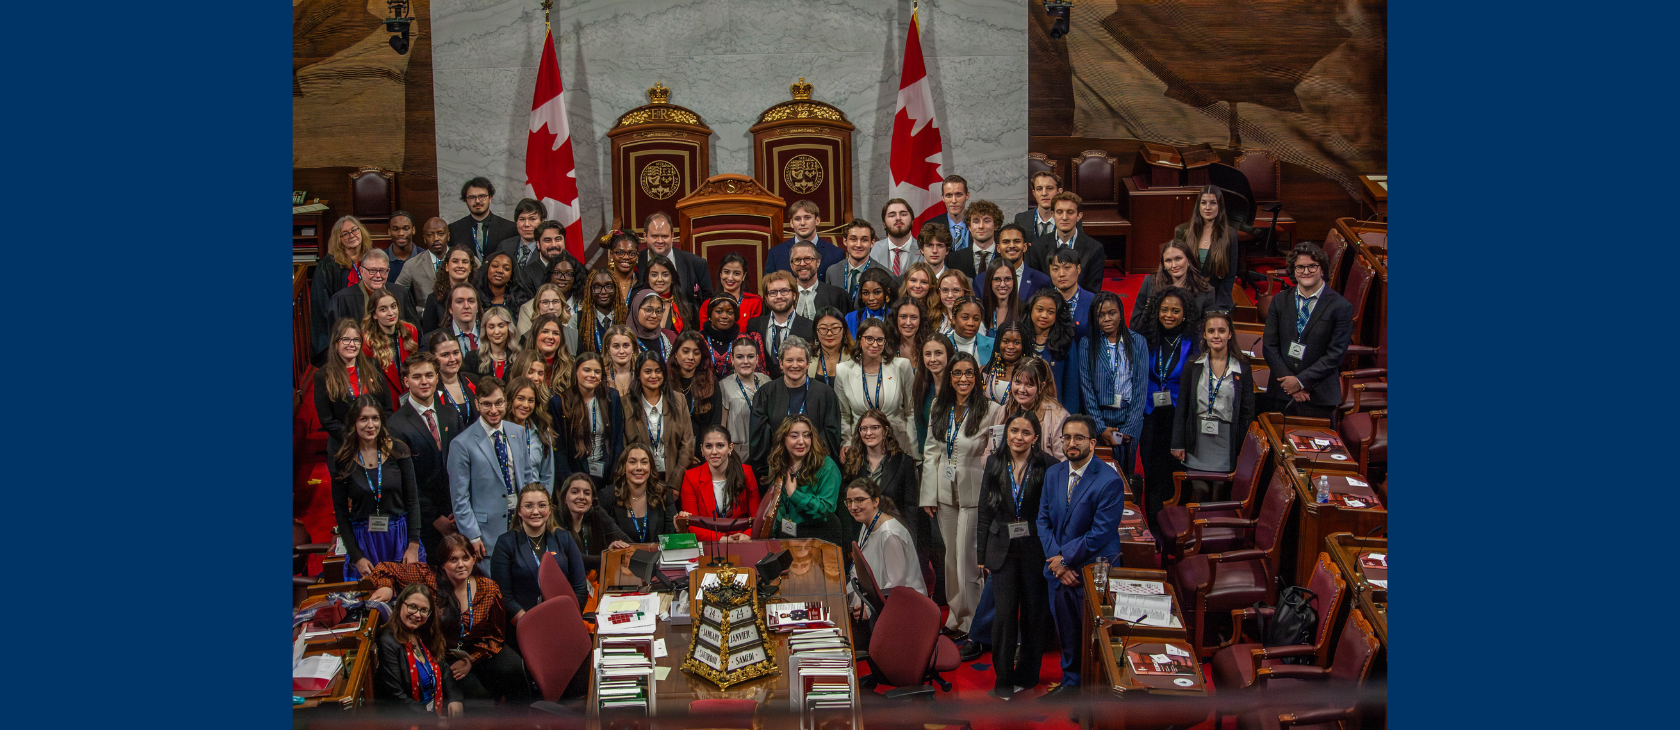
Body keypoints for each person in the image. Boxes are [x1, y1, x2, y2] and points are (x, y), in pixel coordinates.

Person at [367, 533, 528, 703]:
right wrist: (386, 587)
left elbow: (495, 637)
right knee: (479, 698)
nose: (461, 565)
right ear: (442, 564)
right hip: (442, 654)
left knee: (515, 668)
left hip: (477, 650)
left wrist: (471, 661)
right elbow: (384, 568)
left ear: (473, 559)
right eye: (453, 560)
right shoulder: (427, 577)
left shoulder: (488, 589)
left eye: (465, 558)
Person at [1036, 415, 1125, 698]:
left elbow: (1099, 534)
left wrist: (1065, 560)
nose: (1071, 443)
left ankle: (1093, 694)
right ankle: (1071, 684)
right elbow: (1043, 521)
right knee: (1066, 632)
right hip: (1060, 571)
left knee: (1092, 637)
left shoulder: (1109, 481)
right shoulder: (1054, 474)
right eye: (1066, 437)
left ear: (1093, 443)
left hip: (1091, 571)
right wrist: (1057, 562)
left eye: (1078, 438)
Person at [919, 352, 1002, 638]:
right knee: (950, 559)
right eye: (957, 373)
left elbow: (996, 455)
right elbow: (931, 450)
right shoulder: (938, 407)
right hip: (943, 493)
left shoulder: (992, 410)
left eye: (969, 373)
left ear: (977, 378)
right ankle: (955, 617)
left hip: (974, 493)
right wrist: (928, 494)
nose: (963, 379)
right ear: (950, 377)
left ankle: (973, 623)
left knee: (968, 558)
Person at [976, 411, 1052, 699]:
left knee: (1034, 615)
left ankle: (1028, 675)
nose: (1018, 437)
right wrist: (980, 552)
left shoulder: (1048, 465)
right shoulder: (995, 463)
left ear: (1035, 437)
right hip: (1002, 550)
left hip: (1035, 550)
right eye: (1014, 430)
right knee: (1005, 616)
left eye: (1025, 432)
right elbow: (985, 511)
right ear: (1005, 433)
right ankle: (1004, 679)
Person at [333, 396, 423, 582]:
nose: (370, 424)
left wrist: (413, 544)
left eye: (375, 418)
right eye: (363, 419)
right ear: (353, 423)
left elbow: (413, 501)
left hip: (400, 537)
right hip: (364, 542)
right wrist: (357, 557)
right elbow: (341, 515)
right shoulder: (343, 461)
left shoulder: (399, 451)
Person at [448, 377, 538, 561]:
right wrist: (472, 535)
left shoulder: (517, 432)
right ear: (477, 404)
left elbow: (527, 477)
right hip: (485, 533)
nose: (494, 410)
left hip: (521, 526)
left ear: (506, 400)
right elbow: (460, 498)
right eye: (486, 404)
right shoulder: (461, 444)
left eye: (498, 403)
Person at [1171, 311, 1257, 503]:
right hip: (1198, 436)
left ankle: (1212, 528)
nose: (1216, 335)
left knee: (1220, 492)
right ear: (1204, 335)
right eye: (1211, 331)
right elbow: (1182, 406)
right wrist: (1178, 443)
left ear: (1230, 334)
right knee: (1199, 489)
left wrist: (1243, 449)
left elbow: (1247, 411)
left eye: (1221, 330)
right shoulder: (1193, 364)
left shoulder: (1242, 367)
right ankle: (1198, 529)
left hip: (1226, 438)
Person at [1261, 243, 1353, 418]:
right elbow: (1269, 345)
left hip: (1318, 395)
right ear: (1293, 271)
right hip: (1281, 390)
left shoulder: (1341, 307)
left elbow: (1335, 355)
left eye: (1312, 266)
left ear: (1322, 270)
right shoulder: (1279, 301)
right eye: (1300, 267)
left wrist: (1301, 382)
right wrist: (1289, 383)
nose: (1306, 271)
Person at [841, 409, 932, 584]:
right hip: (862, 535)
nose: (869, 433)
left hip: (892, 536)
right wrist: (850, 542)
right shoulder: (852, 462)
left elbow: (910, 506)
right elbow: (845, 504)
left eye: (874, 427)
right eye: (863, 428)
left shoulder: (903, 461)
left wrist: (910, 541)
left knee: (893, 583)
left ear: (885, 430)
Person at [389, 352, 463, 558]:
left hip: (458, 515)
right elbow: (405, 482)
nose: (424, 381)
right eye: (417, 376)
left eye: (429, 375)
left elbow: (463, 466)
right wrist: (435, 518)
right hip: (424, 523)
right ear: (406, 381)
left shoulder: (451, 415)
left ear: (437, 378)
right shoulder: (396, 424)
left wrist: (460, 511)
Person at [1138, 287, 1197, 529]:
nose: (1169, 315)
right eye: (1164, 310)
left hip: (1177, 417)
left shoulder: (1193, 342)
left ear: (1185, 314)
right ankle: (1153, 530)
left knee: (1174, 477)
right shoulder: (1146, 338)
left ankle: (1175, 529)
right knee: (1152, 475)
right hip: (1150, 414)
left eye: (1175, 310)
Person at [1074, 291, 1149, 477]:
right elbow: (1086, 388)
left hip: (1128, 419)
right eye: (1101, 315)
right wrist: (1100, 427)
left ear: (1121, 314)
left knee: (1125, 475)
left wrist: (1130, 428)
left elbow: (1140, 388)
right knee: (1098, 475)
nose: (1107, 319)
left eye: (1112, 313)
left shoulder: (1138, 342)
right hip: (1100, 419)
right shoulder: (1087, 343)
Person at [749, 336, 844, 479]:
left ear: (808, 363)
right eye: (789, 360)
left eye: (800, 360)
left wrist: (810, 462)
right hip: (777, 470)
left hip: (815, 472)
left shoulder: (825, 393)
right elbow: (759, 437)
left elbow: (831, 435)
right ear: (781, 363)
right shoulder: (766, 393)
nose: (795, 365)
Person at [492, 482, 590, 616]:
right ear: (519, 511)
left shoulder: (564, 539)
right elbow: (504, 596)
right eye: (528, 506)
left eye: (542, 505)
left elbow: (579, 588)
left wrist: (567, 618)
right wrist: (533, 625)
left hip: (562, 620)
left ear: (550, 509)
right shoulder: (505, 543)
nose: (536, 511)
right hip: (523, 625)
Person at [315, 319, 393, 477]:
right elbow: (327, 420)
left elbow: (387, 406)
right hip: (343, 449)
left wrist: (374, 433)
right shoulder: (323, 375)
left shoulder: (373, 366)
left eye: (356, 340)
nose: (352, 344)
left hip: (375, 445)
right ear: (336, 342)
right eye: (346, 339)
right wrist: (357, 436)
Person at [373, 583, 464, 715]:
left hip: (433, 711)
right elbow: (396, 696)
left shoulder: (423, 632)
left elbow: (443, 667)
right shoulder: (387, 640)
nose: (417, 615)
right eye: (412, 607)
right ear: (399, 605)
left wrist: (455, 697)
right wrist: (433, 720)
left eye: (423, 610)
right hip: (409, 718)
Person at [844, 477, 926, 619]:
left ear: (875, 501)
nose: (853, 507)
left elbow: (895, 587)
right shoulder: (867, 523)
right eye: (849, 501)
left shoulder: (890, 535)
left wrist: (869, 611)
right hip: (879, 602)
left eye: (859, 500)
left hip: (905, 611)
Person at [835, 318, 916, 459]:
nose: (875, 344)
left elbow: (911, 412)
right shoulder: (843, 370)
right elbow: (844, 415)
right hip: (860, 445)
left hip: (898, 444)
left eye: (880, 340)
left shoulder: (901, 366)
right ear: (860, 340)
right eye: (869, 339)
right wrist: (846, 441)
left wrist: (912, 448)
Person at [622, 350, 696, 495]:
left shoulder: (679, 400)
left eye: (658, 371)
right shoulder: (626, 404)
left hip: (672, 479)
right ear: (638, 374)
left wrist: (675, 483)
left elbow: (687, 444)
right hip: (638, 480)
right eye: (648, 371)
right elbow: (623, 446)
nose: (654, 376)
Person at [551, 352, 625, 490]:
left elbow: (618, 439)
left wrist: (615, 477)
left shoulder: (611, 397)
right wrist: (570, 483)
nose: (592, 375)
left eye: (597, 371)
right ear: (576, 371)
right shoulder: (560, 403)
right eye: (587, 370)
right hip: (574, 476)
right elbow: (559, 449)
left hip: (607, 476)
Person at [765, 415, 845, 544]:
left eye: (806, 435)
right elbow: (778, 509)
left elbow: (826, 509)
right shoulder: (780, 464)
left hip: (820, 536)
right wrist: (771, 539)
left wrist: (794, 494)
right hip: (789, 534)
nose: (801, 441)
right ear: (783, 439)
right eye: (794, 436)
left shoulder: (827, 466)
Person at [677, 425, 762, 541]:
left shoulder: (746, 472)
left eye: (720, 446)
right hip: (709, 543)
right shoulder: (690, 477)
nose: (714, 452)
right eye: (708, 446)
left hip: (741, 541)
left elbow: (757, 517)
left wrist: (747, 535)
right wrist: (721, 539)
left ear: (730, 448)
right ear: (702, 449)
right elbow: (691, 524)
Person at [311, 215, 373, 360]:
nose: (351, 236)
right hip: (343, 326)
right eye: (345, 234)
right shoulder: (328, 265)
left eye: (354, 230)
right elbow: (322, 304)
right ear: (338, 240)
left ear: (361, 231)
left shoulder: (371, 258)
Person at [1176, 186, 1242, 312]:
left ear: (1220, 206)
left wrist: (1218, 306)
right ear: (1198, 206)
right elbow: (1178, 272)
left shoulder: (1230, 235)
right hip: (1189, 297)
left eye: (1213, 203)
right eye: (1203, 203)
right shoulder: (1183, 232)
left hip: (1217, 299)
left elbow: (1230, 277)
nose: (1207, 207)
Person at [1025, 192, 1105, 295]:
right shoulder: (1037, 246)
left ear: (1079, 216)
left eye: (1070, 212)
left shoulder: (1095, 249)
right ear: (1053, 214)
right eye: (1059, 212)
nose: (1064, 217)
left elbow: (1093, 290)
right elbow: (1034, 286)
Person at [1130, 238, 1215, 332]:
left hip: (1189, 343)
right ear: (1163, 264)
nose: (1174, 265)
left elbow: (1207, 328)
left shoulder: (1205, 290)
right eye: (1168, 261)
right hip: (1154, 340)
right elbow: (1135, 321)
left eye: (1178, 259)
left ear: (1189, 260)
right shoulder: (1150, 282)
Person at [744, 271, 815, 380]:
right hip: (764, 389)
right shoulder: (754, 325)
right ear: (766, 298)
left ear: (794, 295)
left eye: (784, 291)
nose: (778, 296)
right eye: (773, 292)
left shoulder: (810, 327)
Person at [603, 443, 679, 544]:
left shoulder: (663, 493)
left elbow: (672, 533)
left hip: (656, 557)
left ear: (650, 467)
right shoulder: (607, 497)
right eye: (632, 462)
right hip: (623, 557)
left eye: (644, 462)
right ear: (624, 466)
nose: (639, 467)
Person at [555, 472, 630, 572]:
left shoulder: (597, 513)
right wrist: (609, 556)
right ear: (565, 498)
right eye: (575, 492)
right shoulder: (555, 521)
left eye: (587, 493)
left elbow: (622, 537)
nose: (581, 497)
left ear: (591, 500)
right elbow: (575, 559)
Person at [330, 248, 419, 330]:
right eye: (372, 271)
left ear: (388, 271)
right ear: (361, 271)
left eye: (382, 271)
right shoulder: (343, 299)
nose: (378, 275)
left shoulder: (401, 293)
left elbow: (413, 329)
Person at [1020, 290, 1078, 410]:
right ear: (1031, 310)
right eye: (1040, 310)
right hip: (1022, 411)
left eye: (1050, 312)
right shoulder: (1020, 338)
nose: (1044, 316)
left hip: (1053, 412)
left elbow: (1071, 386)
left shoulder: (1066, 342)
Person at [635, 212, 711, 301]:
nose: (660, 241)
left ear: (672, 236)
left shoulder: (696, 264)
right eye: (655, 236)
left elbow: (708, 303)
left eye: (664, 236)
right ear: (645, 236)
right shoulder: (635, 262)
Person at [719, 337, 771, 463]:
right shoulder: (724, 386)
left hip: (765, 450)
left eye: (750, 356)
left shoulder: (766, 382)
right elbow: (722, 425)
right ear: (732, 360)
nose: (745, 361)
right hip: (737, 453)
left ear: (757, 358)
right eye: (740, 357)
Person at [362, 289, 421, 399]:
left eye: (393, 306)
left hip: (411, 395)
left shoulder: (410, 330)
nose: (391, 313)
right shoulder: (367, 341)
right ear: (374, 314)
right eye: (383, 309)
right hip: (386, 399)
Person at [1008, 358, 1069, 460]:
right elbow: (990, 452)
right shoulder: (1005, 410)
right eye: (1017, 382)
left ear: (1041, 386)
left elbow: (1063, 463)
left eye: (1029, 385)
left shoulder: (1058, 417)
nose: (1022, 390)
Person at [505, 376, 557, 490]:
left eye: (531, 400)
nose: (525, 405)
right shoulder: (499, 432)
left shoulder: (541, 431)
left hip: (534, 502)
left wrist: (543, 502)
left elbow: (547, 475)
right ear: (510, 399)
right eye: (520, 398)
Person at [765, 199, 844, 274]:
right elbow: (769, 285)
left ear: (817, 220)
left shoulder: (836, 254)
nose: (802, 223)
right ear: (791, 223)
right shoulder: (775, 254)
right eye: (797, 219)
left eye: (807, 217)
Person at [448, 177, 518, 262]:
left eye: (482, 196)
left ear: (490, 198)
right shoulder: (453, 230)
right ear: (466, 201)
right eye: (471, 197)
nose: (477, 201)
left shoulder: (510, 228)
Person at [975, 224, 1050, 303]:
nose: (1011, 245)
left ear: (1025, 247)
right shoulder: (981, 280)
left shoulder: (1041, 280)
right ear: (998, 248)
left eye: (1017, 241)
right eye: (1006, 242)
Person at [513, 220, 582, 304]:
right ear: (538, 244)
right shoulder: (526, 275)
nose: (554, 245)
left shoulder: (578, 268)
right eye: (547, 240)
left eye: (558, 239)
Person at [669, 331, 722, 440]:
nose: (691, 357)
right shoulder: (666, 381)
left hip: (702, 448)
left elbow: (715, 422)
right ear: (675, 353)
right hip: (671, 446)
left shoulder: (711, 381)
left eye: (696, 353)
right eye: (685, 351)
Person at [699, 294, 763, 379]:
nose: (724, 316)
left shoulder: (744, 339)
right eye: (719, 312)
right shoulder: (698, 340)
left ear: (735, 317)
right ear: (710, 314)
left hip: (738, 389)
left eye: (729, 313)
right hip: (704, 388)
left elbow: (758, 373)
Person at [393, 217, 452, 309]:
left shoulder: (464, 260)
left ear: (448, 236)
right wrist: (418, 312)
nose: (436, 238)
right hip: (423, 320)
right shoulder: (411, 265)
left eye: (440, 234)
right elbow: (396, 295)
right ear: (424, 239)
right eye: (430, 235)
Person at [913, 334, 954, 456]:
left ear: (949, 354)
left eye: (938, 353)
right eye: (927, 354)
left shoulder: (958, 388)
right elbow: (921, 427)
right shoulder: (922, 388)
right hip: (929, 457)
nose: (932, 359)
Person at [421, 248, 478, 335]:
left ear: (470, 268)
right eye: (455, 261)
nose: (460, 265)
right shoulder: (434, 299)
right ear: (447, 267)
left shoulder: (479, 295)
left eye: (465, 262)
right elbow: (428, 336)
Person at [826, 218, 888, 297]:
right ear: (845, 241)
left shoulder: (885, 275)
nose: (858, 245)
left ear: (872, 243)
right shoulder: (832, 272)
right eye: (853, 239)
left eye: (864, 240)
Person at [429, 330, 478, 428]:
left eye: (456, 353)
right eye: (445, 355)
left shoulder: (473, 380)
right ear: (433, 358)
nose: (452, 359)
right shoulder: (430, 390)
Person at [789, 240, 850, 318]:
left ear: (818, 262)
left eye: (808, 259)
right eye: (797, 260)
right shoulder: (783, 297)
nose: (802, 264)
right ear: (791, 265)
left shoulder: (838, 295)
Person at [1044, 248, 1094, 339]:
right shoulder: (1043, 302)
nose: (1061, 274)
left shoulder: (1093, 301)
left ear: (1078, 269)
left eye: (1067, 267)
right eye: (1055, 269)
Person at [948, 200, 1004, 279]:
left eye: (987, 221)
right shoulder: (954, 259)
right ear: (969, 227)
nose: (981, 226)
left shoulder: (1005, 257)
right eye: (976, 221)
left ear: (996, 226)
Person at [578, 268, 628, 355]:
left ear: (616, 288)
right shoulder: (578, 319)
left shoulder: (628, 316)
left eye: (609, 286)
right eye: (596, 287)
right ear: (589, 291)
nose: (603, 292)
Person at [701, 252, 763, 323]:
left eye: (736, 273)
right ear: (720, 274)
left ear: (743, 276)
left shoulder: (755, 303)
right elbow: (704, 332)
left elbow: (757, 332)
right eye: (726, 272)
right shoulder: (707, 304)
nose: (730, 278)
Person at [462, 306, 519, 382]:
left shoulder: (519, 358)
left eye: (501, 326)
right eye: (491, 327)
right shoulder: (473, 358)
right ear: (485, 330)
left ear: (509, 328)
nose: (496, 332)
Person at [645, 253, 699, 334]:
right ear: (648, 278)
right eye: (654, 275)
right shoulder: (639, 305)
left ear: (672, 278)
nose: (659, 279)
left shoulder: (687, 307)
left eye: (665, 275)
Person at [1015, 171, 1075, 242]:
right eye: (1039, 189)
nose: (1044, 193)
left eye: (1049, 188)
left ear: (1059, 192)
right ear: (1034, 193)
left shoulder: (1071, 219)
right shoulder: (1021, 219)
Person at [521, 313, 577, 389]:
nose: (550, 337)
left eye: (555, 333)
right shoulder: (519, 366)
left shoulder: (572, 367)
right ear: (535, 335)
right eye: (545, 331)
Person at [426, 282, 483, 357]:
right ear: (450, 308)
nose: (466, 306)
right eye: (459, 301)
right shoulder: (429, 340)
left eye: (471, 301)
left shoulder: (491, 335)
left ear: (477, 307)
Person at [869, 198, 921, 279]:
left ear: (912, 221)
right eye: (892, 215)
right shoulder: (872, 249)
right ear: (884, 223)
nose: (898, 218)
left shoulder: (924, 249)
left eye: (903, 214)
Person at [495, 198, 546, 274]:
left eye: (532, 219)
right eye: (522, 219)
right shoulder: (505, 246)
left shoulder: (548, 248)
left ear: (542, 222)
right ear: (516, 223)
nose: (527, 224)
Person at [627, 289, 679, 362]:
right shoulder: (624, 340)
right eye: (648, 310)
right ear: (636, 309)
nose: (654, 315)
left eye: (658, 311)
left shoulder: (671, 338)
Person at [982, 323, 1026, 406]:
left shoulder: (1033, 373)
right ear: (998, 343)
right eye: (1006, 341)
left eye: (1016, 343)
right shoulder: (985, 371)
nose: (1010, 346)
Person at [924, 175, 973, 250]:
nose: (954, 201)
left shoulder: (979, 224)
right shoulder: (930, 226)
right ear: (943, 197)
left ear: (967, 195)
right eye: (949, 195)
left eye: (958, 195)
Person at [843, 267, 896, 336]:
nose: (871, 298)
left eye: (877, 292)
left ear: (887, 293)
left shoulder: (896, 318)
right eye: (866, 293)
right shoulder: (851, 318)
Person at [809, 308, 854, 388]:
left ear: (844, 330)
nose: (829, 333)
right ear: (816, 331)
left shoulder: (855, 356)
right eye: (823, 329)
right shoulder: (808, 356)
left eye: (835, 328)